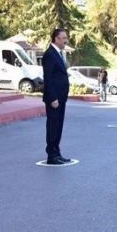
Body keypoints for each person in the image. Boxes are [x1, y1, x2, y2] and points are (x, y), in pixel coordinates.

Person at [42, 28, 72, 165]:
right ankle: (51, 155)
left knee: (58, 125)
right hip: (54, 99)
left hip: (61, 97)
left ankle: (57, 152)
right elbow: (47, 78)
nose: (66, 40)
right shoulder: (50, 54)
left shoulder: (58, 53)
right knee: (53, 126)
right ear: (56, 39)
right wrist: (52, 98)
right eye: (64, 37)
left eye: (66, 37)